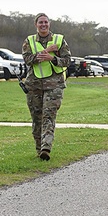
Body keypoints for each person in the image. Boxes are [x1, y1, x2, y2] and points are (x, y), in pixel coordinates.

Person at [21, 13, 71, 161]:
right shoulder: (29, 41)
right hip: (34, 86)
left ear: (49, 24)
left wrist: (53, 59)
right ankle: (39, 150)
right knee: (37, 119)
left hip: (54, 85)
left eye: (46, 22)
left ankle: (46, 147)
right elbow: (27, 59)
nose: (43, 25)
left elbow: (67, 61)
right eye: (40, 22)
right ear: (36, 25)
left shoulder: (59, 40)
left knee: (48, 116)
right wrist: (47, 51)